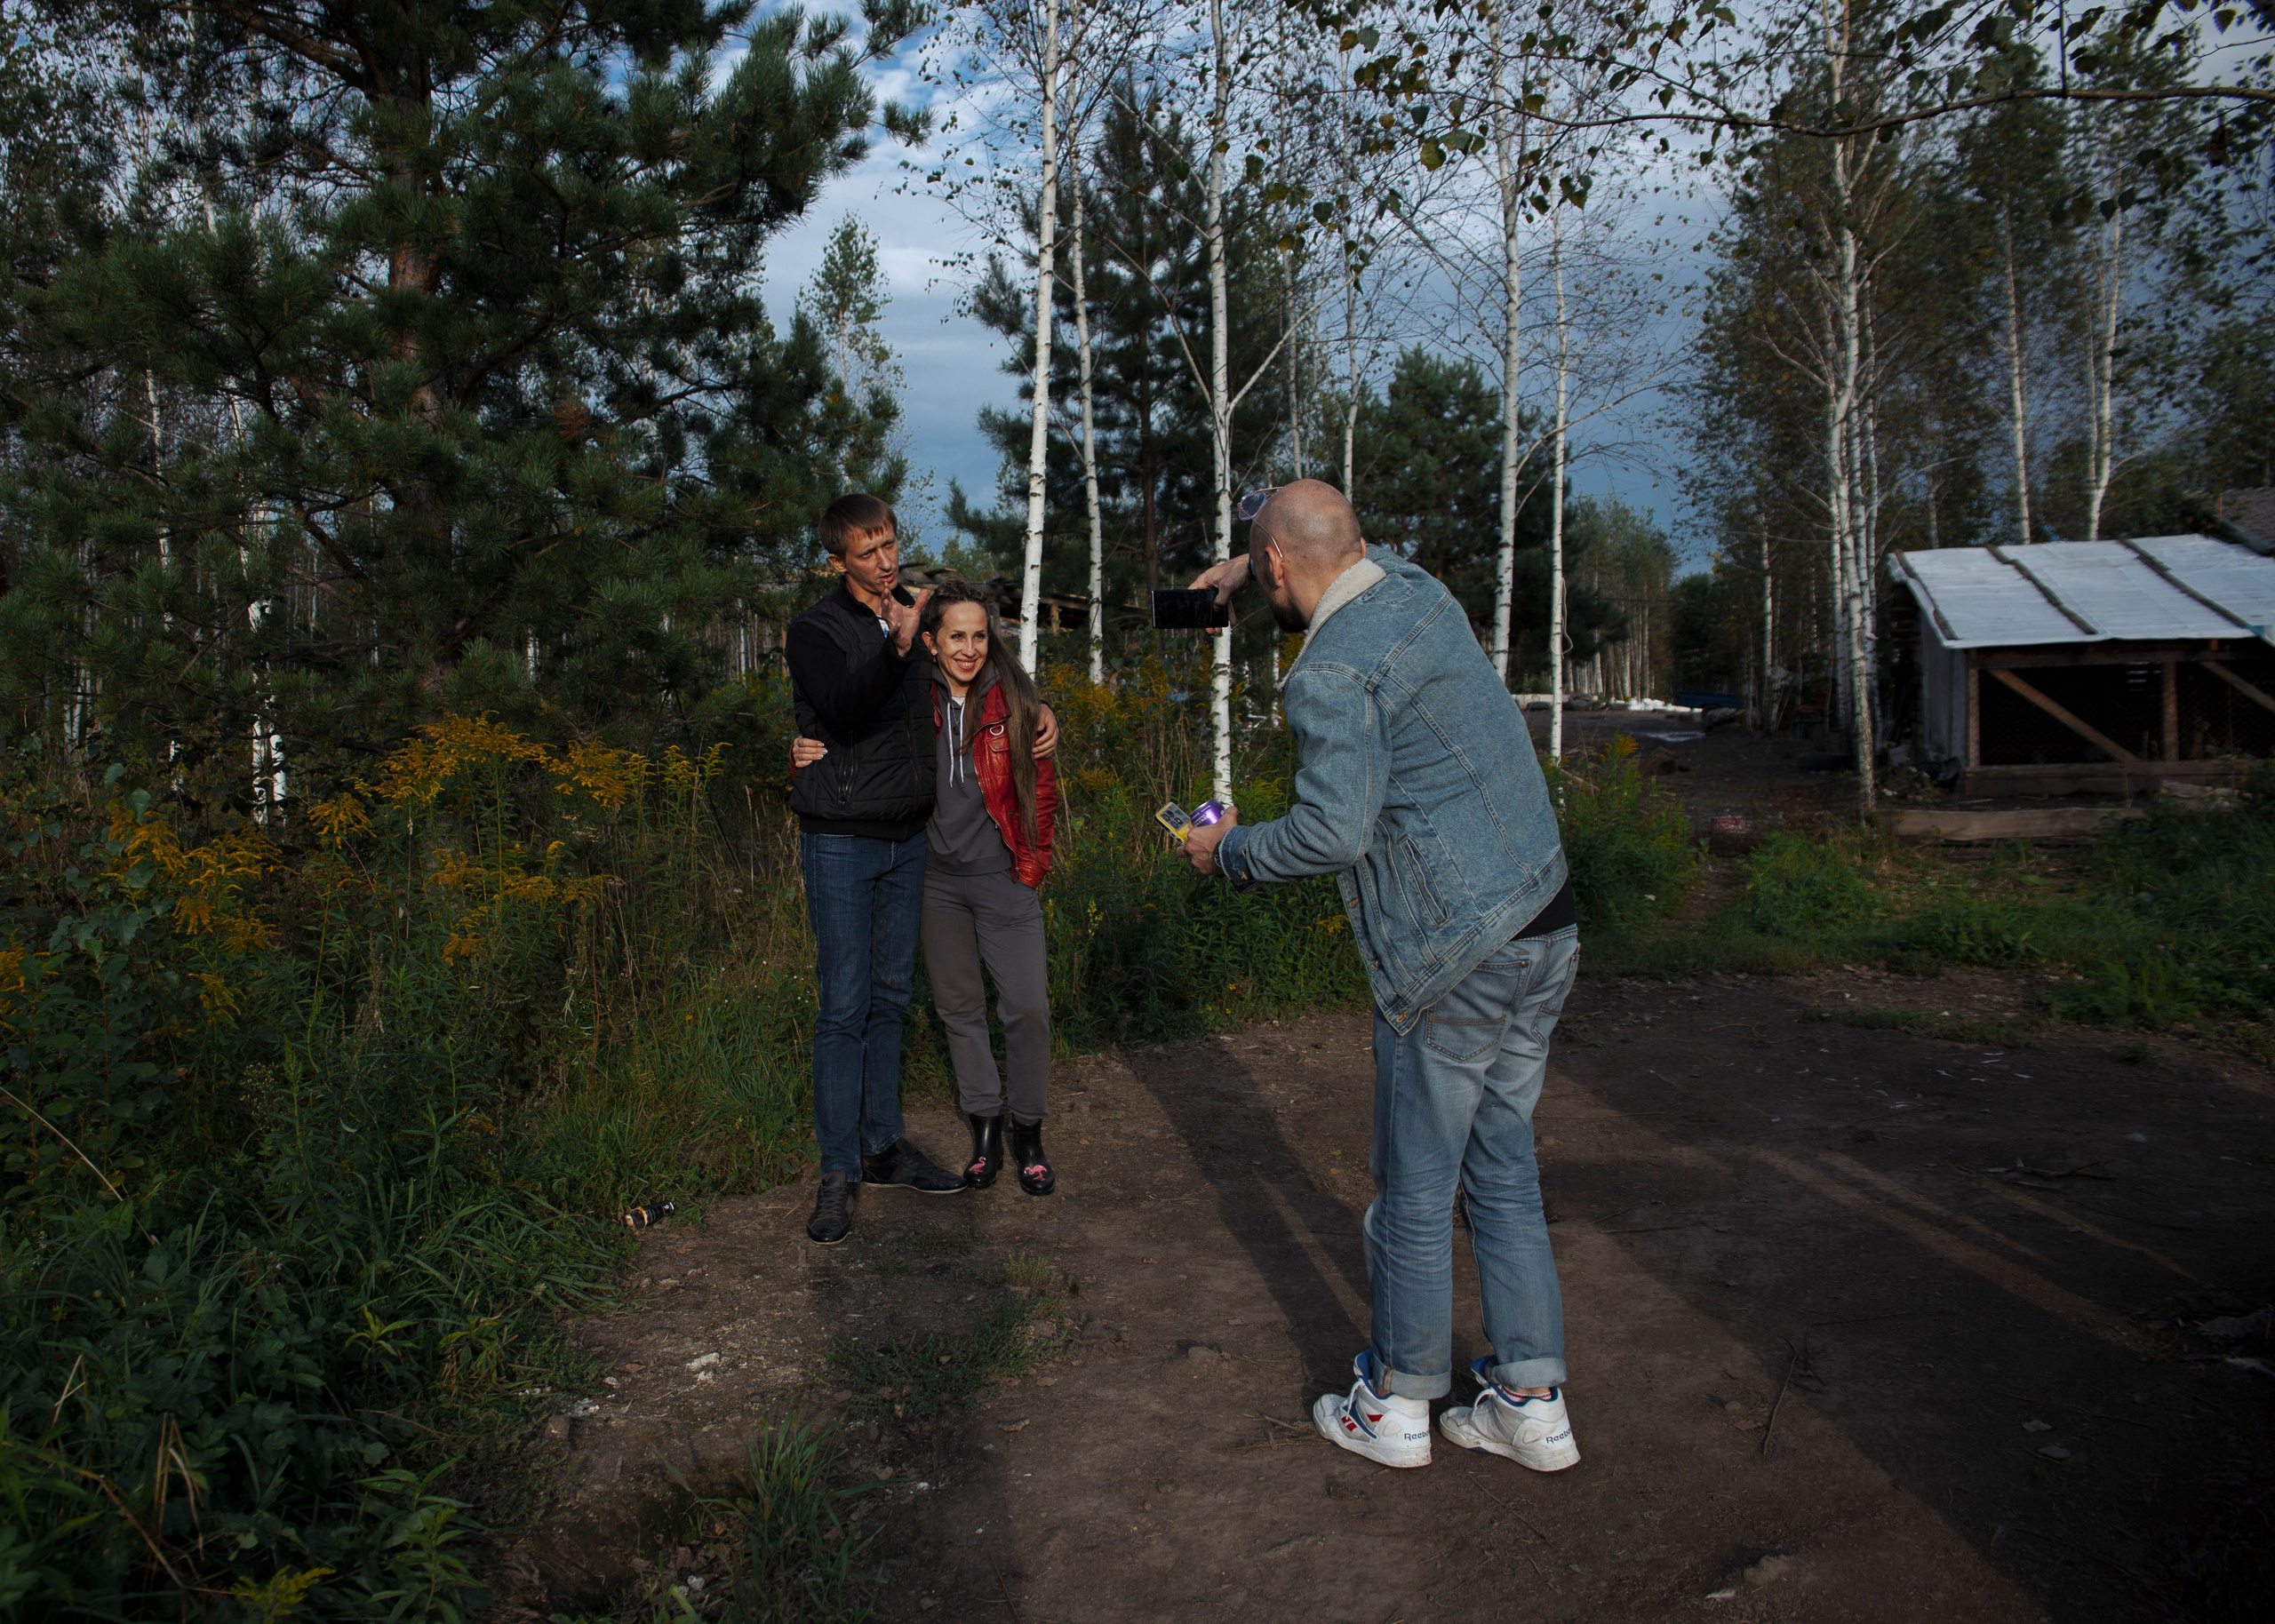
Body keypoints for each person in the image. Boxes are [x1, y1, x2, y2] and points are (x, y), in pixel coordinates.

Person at [1180, 479, 1582, 1475]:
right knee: (1503, 1169)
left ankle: (1399, 1403)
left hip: (1456, 955)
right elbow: (1348, 544)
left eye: (1264, 566)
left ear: (1279, 563)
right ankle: (1531, 1406)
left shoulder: (1330, 671)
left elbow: (1332, 833)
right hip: (1545, 921)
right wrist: (1251, 564)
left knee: (1414, 1187)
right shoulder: (1419, 592)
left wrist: (1228, 852)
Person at [785, 496, 1058, 1245]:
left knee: (890, 1001)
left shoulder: (912, 614)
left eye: (890, 545)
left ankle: (882, 1147)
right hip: (844, 838)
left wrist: (1041, 709)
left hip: (909, 843)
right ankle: (838, 1170)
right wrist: (892, 651)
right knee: (844, 1006)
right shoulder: (817, 629)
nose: (885, 561)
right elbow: (839, 706)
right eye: (867, 552)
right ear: (836, 562)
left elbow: (980, 670)